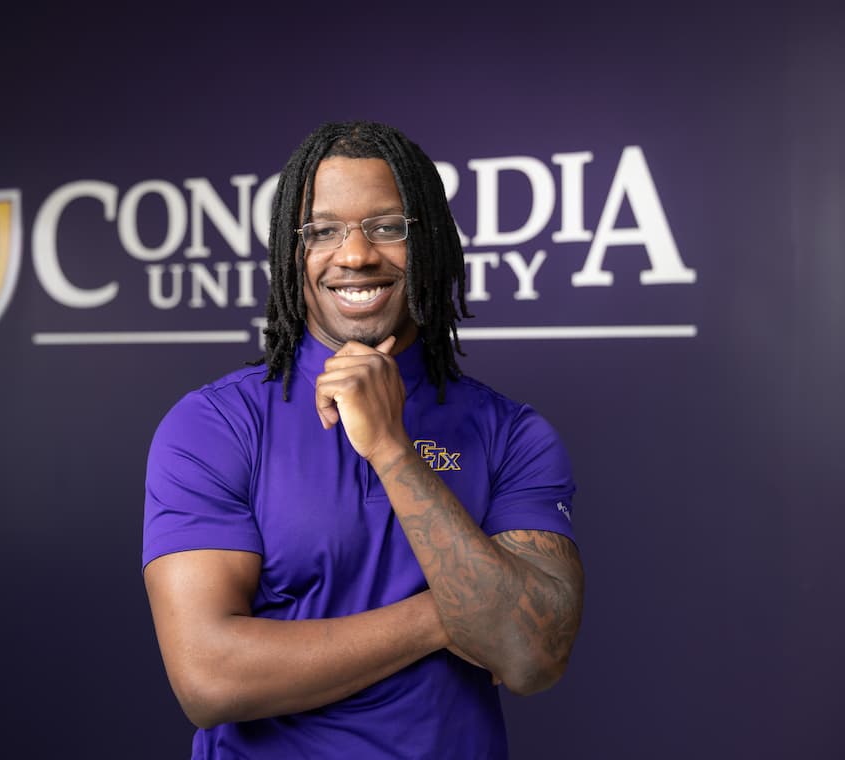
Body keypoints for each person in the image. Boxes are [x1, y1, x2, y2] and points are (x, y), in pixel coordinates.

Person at [142, 120, 584, 759]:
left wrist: (391, 448)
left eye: (387, 226)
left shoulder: (513, 433)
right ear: (292, 252)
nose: (354, 255)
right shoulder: (214, 425)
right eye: (322, 231)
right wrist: (452, 613)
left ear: (428, 240)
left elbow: (533, 654)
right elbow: (210, 678)